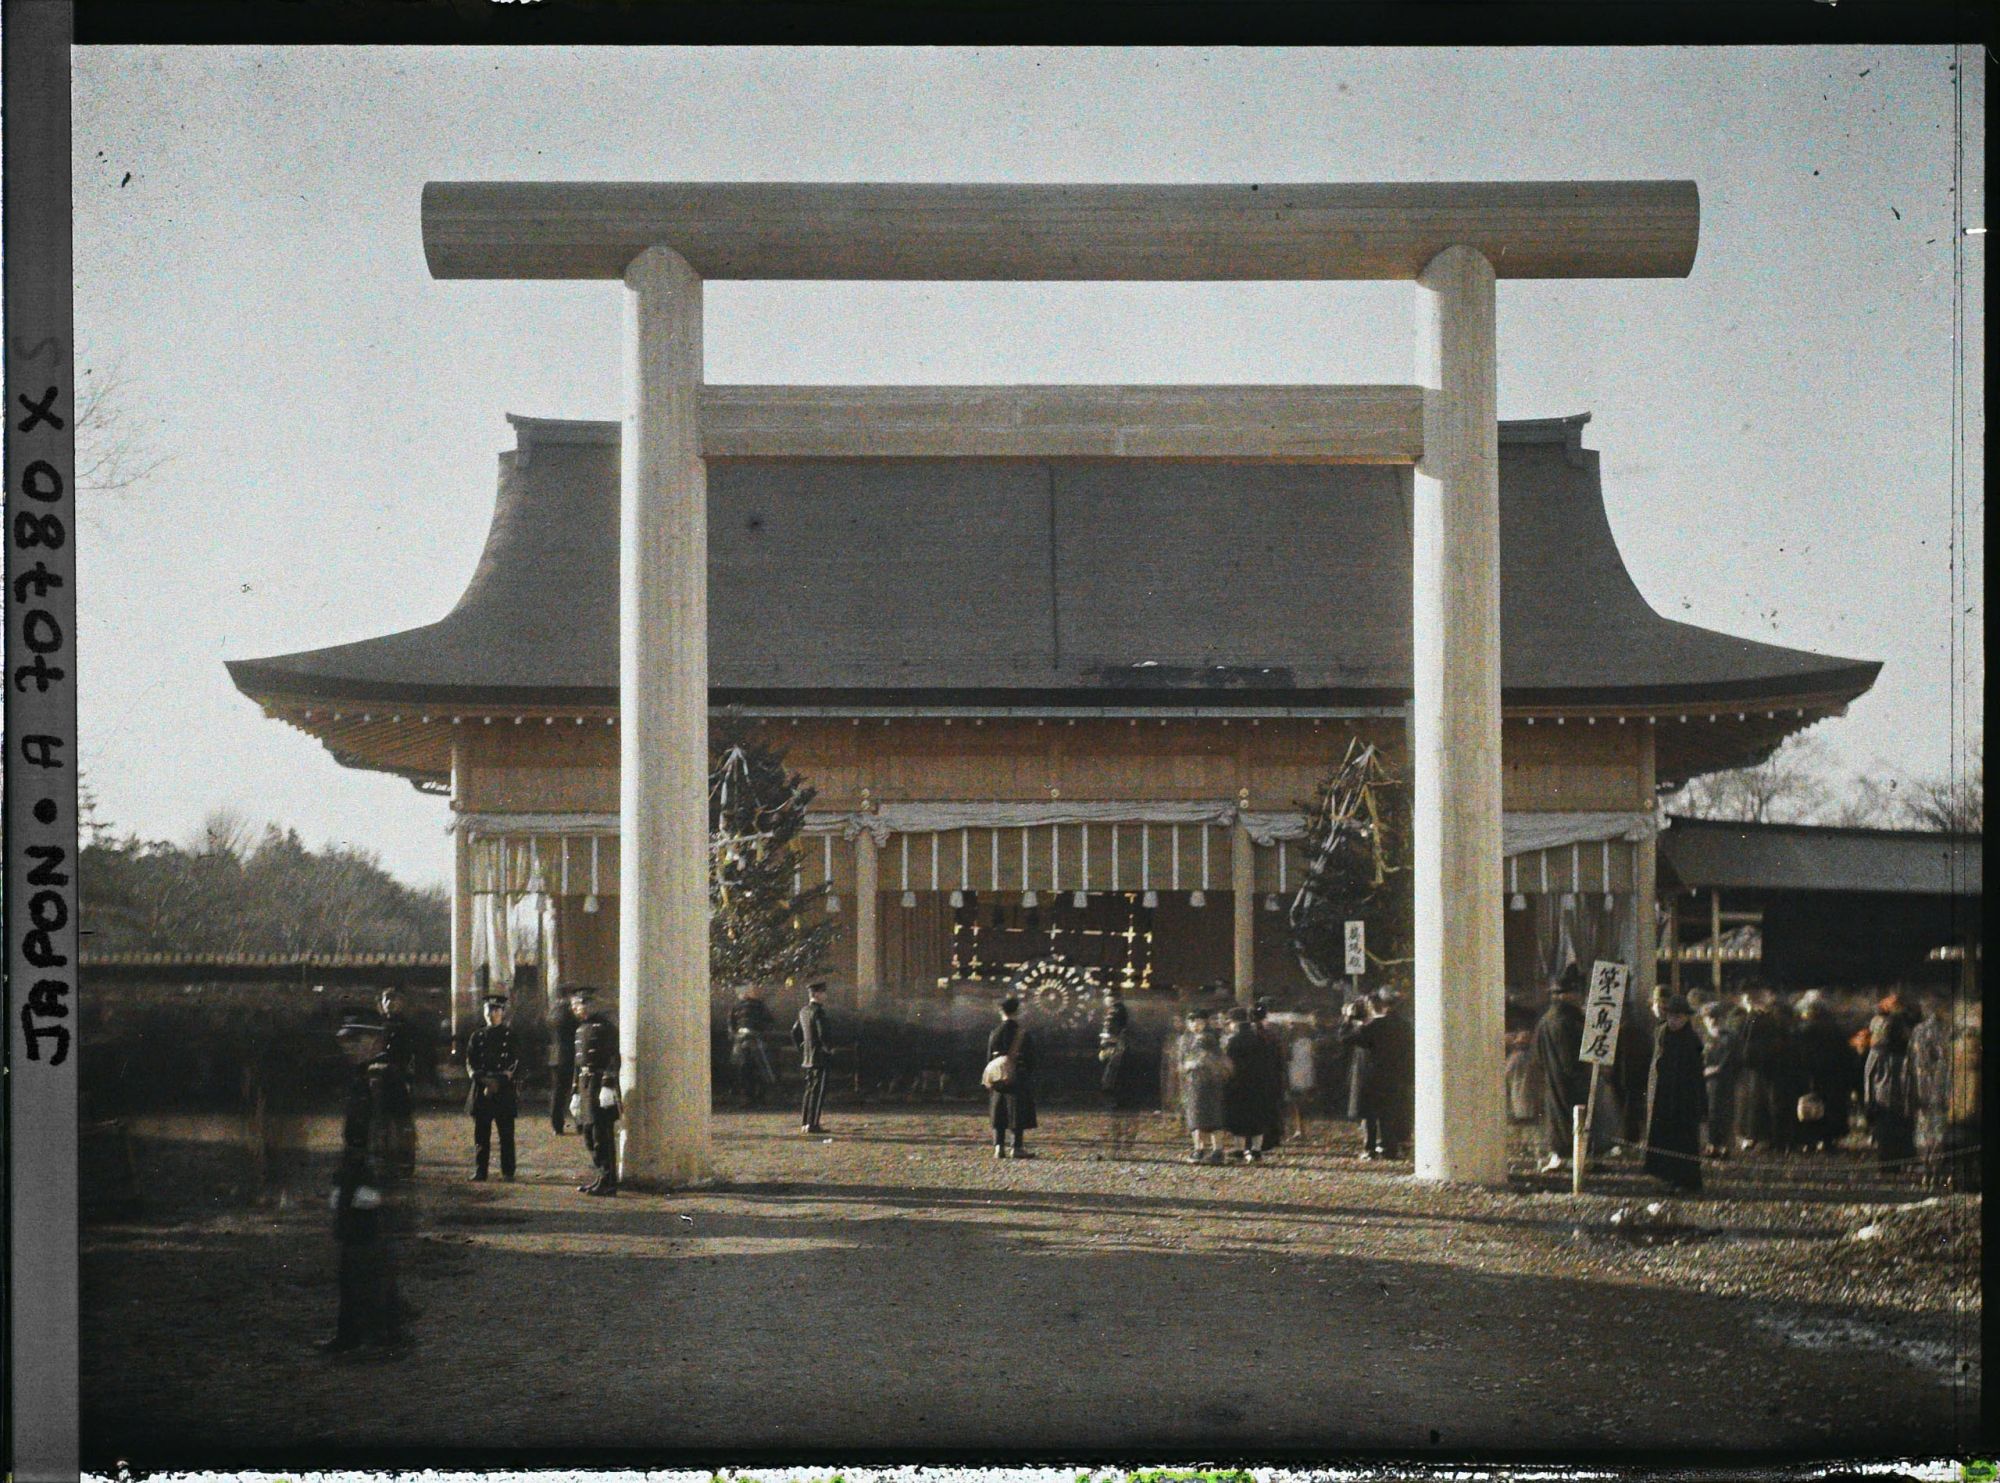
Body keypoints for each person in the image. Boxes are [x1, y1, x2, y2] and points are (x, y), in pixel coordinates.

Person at [319, 1006, 408, 1358]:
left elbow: (390, 1135)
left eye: (356, 1039)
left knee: (367, 1259)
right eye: (346, 1040)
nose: (348, 1046)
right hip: (355, 1172)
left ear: (374, 1039)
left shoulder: (381, 1075)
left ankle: (379, 1337)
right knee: (351, 1258)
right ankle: (350, 1333)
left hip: (371, 1176)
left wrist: (375, 1184)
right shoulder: (365, 1074)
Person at [1337, 991, 1414, 1161]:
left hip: (1371, 1077)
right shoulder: (1404, 1026)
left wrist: (1348, 1019)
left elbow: (1344, 1038)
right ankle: (1389, 1148)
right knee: (1388, 1113)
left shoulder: (1372, 1028)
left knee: (1370, 1115)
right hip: (1394, 1076)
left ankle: (1369, 1148)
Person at [1642, 994, 1705, 1192]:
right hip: (1662, 1094)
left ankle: (1684, 1181)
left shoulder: (1691, 1039)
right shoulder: (1661, 1033)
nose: (1674, 1020)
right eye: (1671, 1016)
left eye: (1678, 1017)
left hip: (1684, 1097)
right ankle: (1663, 1177)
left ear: (1686, 1017)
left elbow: (1695, 1074)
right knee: (1662, 1136)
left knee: (1683, 1139)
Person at [1533, 965, 1589, 1173]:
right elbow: (1571, 1060)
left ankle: (1559, 1155)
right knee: (1570, 1119)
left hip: (1551, 1079)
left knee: (1557, 1118)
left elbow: (1536, 1054)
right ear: (1567, 995)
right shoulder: (1566, 1021)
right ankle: (1571, 1158)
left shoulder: (1546, 1020)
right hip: (1570, 1080)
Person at [463, 991, 521, 1182]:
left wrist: (499, 1081)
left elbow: (515, 1062)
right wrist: (483, 1080)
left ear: (502, 1013)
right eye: (488, 1009)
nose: (492, 1013)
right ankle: (481, 1170)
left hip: (503, 1089)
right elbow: (470, 1062)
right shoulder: (477, 1036)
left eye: (496, 1010)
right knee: (481, 1133)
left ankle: (508, 1171)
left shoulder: (510, 1036)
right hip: (482, 1089)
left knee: (506, 1134)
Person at [1790, 990, 1858, 1153]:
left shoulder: (1799, 1031)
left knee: (1807, 1109)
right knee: (1830, 1109)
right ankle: (1827, 1141)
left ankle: (1809, 1141)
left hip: (1807, 1076)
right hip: (1832, 1077)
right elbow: (1846, 1056)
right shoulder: (1835, 1029)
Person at [569, 985, 620, 1196]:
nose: (574, 1010)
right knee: (589, 1134)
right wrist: (575, 1092)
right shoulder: (580, 1029)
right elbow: (577, 1063)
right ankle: (601, 1176)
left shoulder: (605, 1028)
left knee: (601, 1134)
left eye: (576, 1005)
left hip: (599, 1084)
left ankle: (608, 1181)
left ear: (587, 1004)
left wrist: (608, 1085)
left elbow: (613, 1056)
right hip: (585, 1083)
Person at [1862, 990, 1919, 1166]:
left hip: (1884, 1098)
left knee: (1888, 1134)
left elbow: (1869, 1077)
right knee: (1898, 1132)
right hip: (1898, 1099)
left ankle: (1891, 1162)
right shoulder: (1903, 1052)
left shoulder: (1879, 1052)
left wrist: (1868, 1101)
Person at [986, 995, 1039, 1158]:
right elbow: (1031, 1058)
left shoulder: (995, 1032)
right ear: (1017, 1012)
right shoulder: (1022, 1033)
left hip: (998, 1075)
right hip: (1018, 1075)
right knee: (1017, 1111)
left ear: (1001, 1012)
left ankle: (998, 1147)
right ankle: (1016, 1147)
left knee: (999, 1110)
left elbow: (989, 1058)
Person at [375, 985, 419, 1179]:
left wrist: (409, 1079)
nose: (391, 1004)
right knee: (381, 1122)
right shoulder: (377, 1027)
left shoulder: (408, 1028)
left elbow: (412, 1056)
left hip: (399, 1079)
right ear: (382, 1005)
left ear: (402, 1003)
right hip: (379, 1079)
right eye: (387, 1000)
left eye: (394, 1000)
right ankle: (383, 1161)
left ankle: (406, 1161)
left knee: (403, 1122)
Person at [1178, 1009, 1230, 1164]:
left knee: (1210, 1116)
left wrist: (1189, 1065)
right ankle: (1201, 1149)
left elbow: (1206, 1059)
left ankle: (1214, 1150)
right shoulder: (1187, 1039)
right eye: (1192, 1021)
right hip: (1194, 1082)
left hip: (1208, 1081)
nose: (1195, 1025)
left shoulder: (1208, 1038)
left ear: (1204, 1022)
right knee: (1196, 1117)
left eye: (1199, 1021)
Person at [1096, 984, 1138, 1155]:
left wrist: (1105, 1048)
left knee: (1114, 1104)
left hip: (1116, 1064)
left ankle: (1115, 1144)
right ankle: (1123, 1142)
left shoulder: (1113, 1013)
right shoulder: (1124, 1012)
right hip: (1125, 1064)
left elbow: (1108, 1035)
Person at [1697, 1000, 1742, 1159]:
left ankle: (1724, 1145)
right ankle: (1711, 1144)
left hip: (1724, 1080)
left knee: (1724, 1113)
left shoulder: (1729, 1038)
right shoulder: (1703, 1038)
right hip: (1705, 1081)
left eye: (1716, 1017)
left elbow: (1731, 1059)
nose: (1713, 1021)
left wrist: (1716, 1069)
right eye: (1709, 1017)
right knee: (1710, 1113)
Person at [1246, 1002, 1288, 1160]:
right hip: (1270, 1077)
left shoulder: (1250, 1033)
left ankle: (1255, 1143)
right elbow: (1280, 1056)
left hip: (1255, 1077)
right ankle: (1269, 1139)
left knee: (1255, 1111)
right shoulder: (1272, 1033)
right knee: (1268, 1110)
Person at [728, 984, 778, 1108]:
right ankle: (748, 1097)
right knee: (745, 1070)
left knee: (758, 1068)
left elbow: (769, 1022)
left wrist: (761, 1034)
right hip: (743, 1041)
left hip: (756, 1040)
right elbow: (731, 1024)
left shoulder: (757, 1005)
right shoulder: (736, 1007)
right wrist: (736, 1035)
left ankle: (759, 1097)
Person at [792, 981, 832, 1134]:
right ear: (816, 994)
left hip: (808, 1056)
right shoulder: (819, 1012)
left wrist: (802, 1048)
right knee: (818, 1091)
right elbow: (823, 1034)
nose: (825, 995)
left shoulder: (803, 1011)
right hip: (820, 1056)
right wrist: (828, 1048)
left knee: (809, 1090)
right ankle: (813, 1123)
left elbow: (795, 1032)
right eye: (823, 992)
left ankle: (805, 1122)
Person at [547, 989, 578, 1136]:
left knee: (558, 1093)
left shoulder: (553, 1013)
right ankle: (580, 1123)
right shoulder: (569, 1013)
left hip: (555, 1057)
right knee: (575, 1090)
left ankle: (556, 1125)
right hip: (569, 1056)